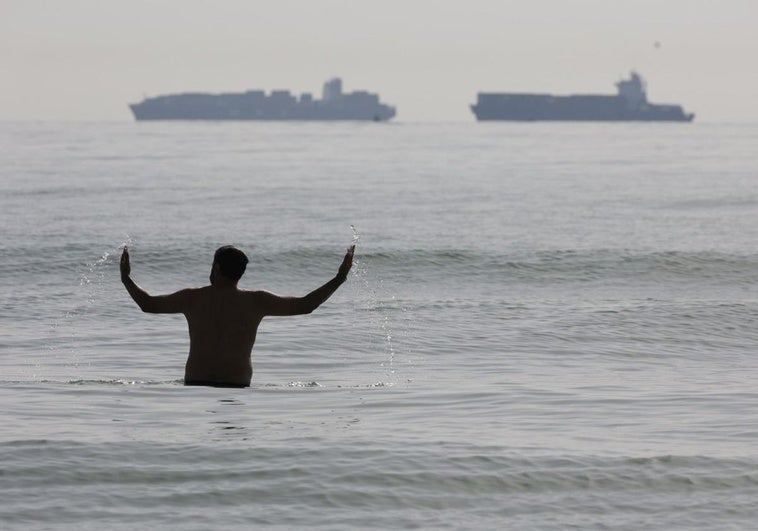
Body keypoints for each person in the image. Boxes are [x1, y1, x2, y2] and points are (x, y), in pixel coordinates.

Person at [120, 244, 354, 388]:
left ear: (218, 268)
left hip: (195, 387)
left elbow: (147, 304)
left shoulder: (192, 298)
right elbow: (305, 305)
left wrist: (126, 279)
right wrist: (339, 279)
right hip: (238, 387)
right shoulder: (256, 301)